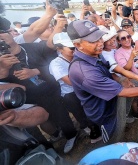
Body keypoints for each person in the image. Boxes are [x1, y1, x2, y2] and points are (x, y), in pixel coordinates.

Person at [67, 20, 138, 143]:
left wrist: (122, 78)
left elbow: (110, 70)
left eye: (100, 38)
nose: (100, 43)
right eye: (93, 41)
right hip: (104, 114)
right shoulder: (84, 72)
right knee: (113, 138)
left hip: (112, 104)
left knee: (120, 126)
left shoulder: (95, 53)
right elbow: (121, 92)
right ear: (77, 45)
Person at [0, 14, 79, 154]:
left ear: (11, 34)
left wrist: (35, 71)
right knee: (45, 121)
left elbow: (53, 63)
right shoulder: (2, 60)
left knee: (60, 113)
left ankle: (72, 135)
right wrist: (4, 67)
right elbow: (3, 82)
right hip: (29, 97)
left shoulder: (32, 47)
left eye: (3, 33)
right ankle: (57, 134)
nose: (1, 37)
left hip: (50, 89)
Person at [49, 32, 103, 144]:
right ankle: (90, 131)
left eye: (75, 46)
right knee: (82, 115)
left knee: (93, 112)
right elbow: (70, 82)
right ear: (59, 49)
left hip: (86, 88)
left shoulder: (79, 55)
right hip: (71, 94)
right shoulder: (56, 64)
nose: (74, 50)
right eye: (71, 48)